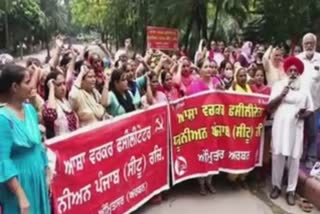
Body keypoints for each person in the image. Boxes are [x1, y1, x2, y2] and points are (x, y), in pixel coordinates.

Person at [0, 64, 50, 214]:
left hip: (38, 177)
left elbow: (38, 145)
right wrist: (21, 195)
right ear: (15, 87)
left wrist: (46, 170)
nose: (32, 86)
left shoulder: (29, 110)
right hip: (19, 184)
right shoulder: (3, 119)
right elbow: (3, 161)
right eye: (27, 82)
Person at [268, 56, 312, 206]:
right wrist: (282, 95)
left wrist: (302, 114)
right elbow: (269, 107)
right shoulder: (279, 85)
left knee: (294, 159)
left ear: (299, 73)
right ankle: (276, 186)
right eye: (290, 70)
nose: (293, 72)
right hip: (280, 126)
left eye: (295, 70)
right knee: (277, 155)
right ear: (286, 72)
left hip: (296, 127)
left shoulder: (305, 89)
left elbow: (310, 110)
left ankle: (291, 191)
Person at [186, 59, 217, 195]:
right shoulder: (194, 86)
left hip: (214, 124)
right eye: (206, 66)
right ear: (199, 70)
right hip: (200, 125)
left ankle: (210, 182)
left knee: (213, 152)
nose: (209, 69)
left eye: (211, 66)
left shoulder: (216, 83)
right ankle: (201, 184)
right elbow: (190, 106)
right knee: (202, 154)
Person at [297, 33, 320, 168]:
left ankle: (310, 157)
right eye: (306, 43)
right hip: (299, 104)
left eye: (311, 43)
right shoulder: (298, 59)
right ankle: (298, 155)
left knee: (312, 132)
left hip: (315, 104)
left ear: (315, 44)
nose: (309, 45)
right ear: (303, 45)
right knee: (298, 132)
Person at [42, 71, 78, 139]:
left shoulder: (66, 102)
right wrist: (51, 87)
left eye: (64, 84)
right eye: (59, 85)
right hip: (60, 144)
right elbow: (51, 114)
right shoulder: (48, 104)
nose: (63, 88)